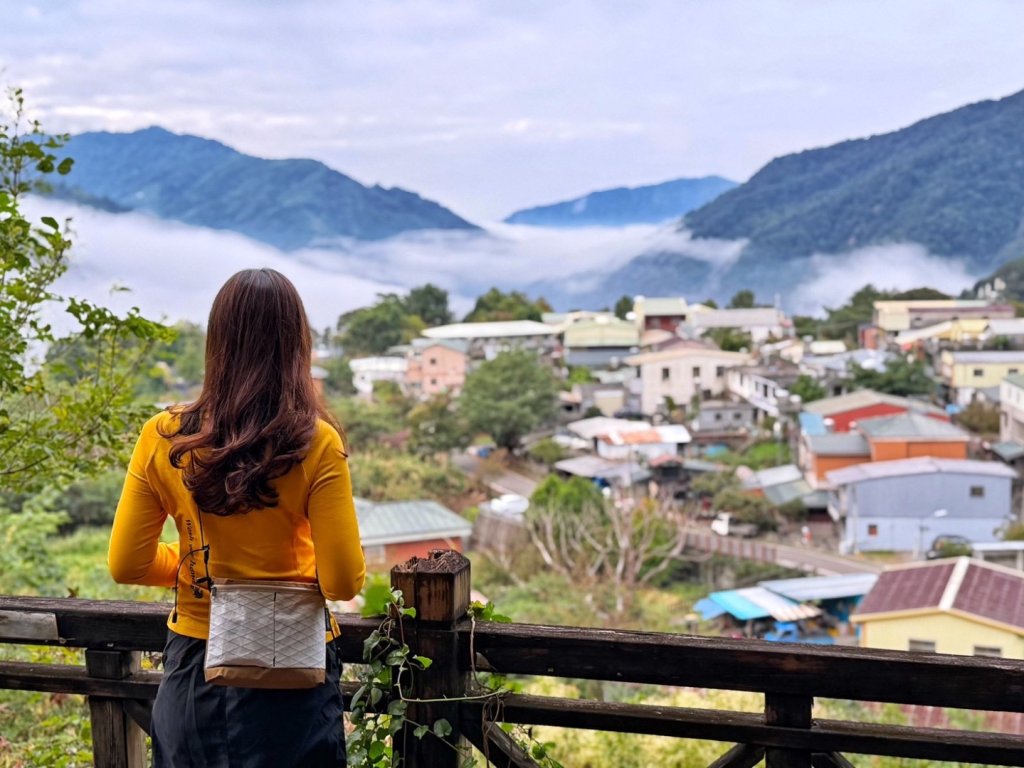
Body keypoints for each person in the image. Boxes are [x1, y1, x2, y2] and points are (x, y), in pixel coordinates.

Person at [108, 268, 365, 767]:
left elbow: (127, 564)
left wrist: (198, 570)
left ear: (217, 342)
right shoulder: (315, 442)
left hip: (192, 670)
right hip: (291, 672)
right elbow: (340, 580)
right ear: (297, 343)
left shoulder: (163, 437)